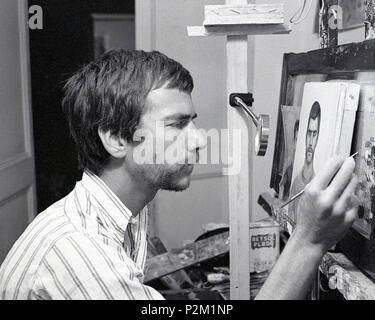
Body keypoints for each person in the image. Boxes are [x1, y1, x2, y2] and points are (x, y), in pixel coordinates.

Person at [0, 50, 358, 300]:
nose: (200, 139)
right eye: (177, 124)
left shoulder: (122, 212)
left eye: (194, 121)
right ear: (114, 138)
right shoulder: (79, 252)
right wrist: (309, 240)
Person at [289, 102, 321, 222]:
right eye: (309, 133)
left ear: (318, 138)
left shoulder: (319, 186)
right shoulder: (296, 182)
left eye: (314, 134)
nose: (311, 142)